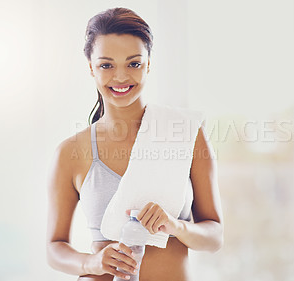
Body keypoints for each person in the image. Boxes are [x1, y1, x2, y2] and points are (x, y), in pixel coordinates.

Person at [46, 7, 223, 281]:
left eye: (134, 63)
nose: (120, 77)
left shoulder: (186, 134)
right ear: (91, 68)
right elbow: (54, 247)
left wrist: (176, 227)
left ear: (148, 63)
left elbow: (214, 237)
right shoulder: (71, 152)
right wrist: (92, 263)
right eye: (106, 65)